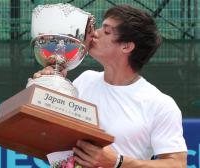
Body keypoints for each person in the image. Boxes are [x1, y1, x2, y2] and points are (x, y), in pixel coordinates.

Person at [31, 4, 187, 168]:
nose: (94, 34)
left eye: (106, 31)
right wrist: (49, 85)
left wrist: (117, 162)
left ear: (126, 46)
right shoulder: (85, 80)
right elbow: (49, 131)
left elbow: (177, 164)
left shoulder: (160, 104)